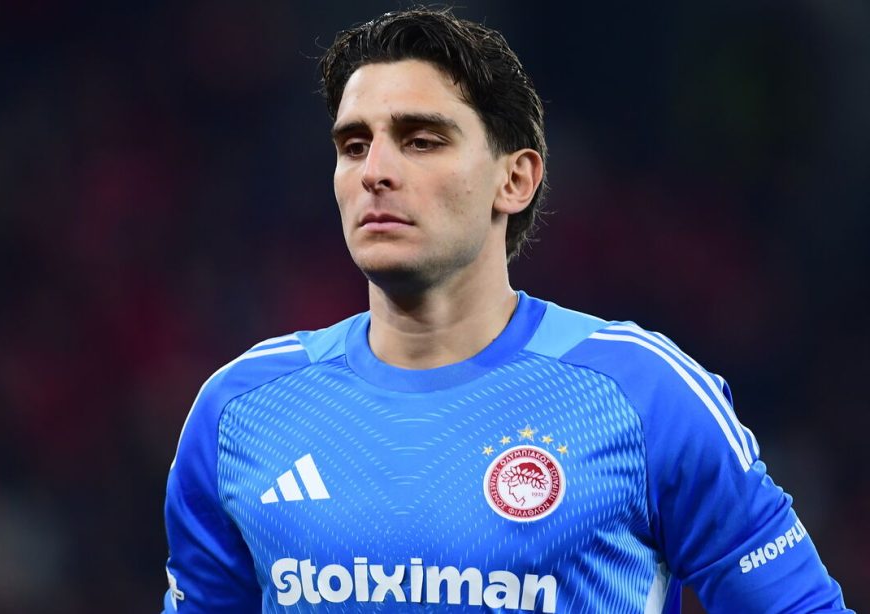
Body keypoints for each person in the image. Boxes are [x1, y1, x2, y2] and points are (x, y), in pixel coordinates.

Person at [161, 8, 850, 613]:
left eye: (421, 140)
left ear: (514, 179)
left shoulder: (646, 397)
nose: (375, 171)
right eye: (354, 145)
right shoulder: (241, 412)